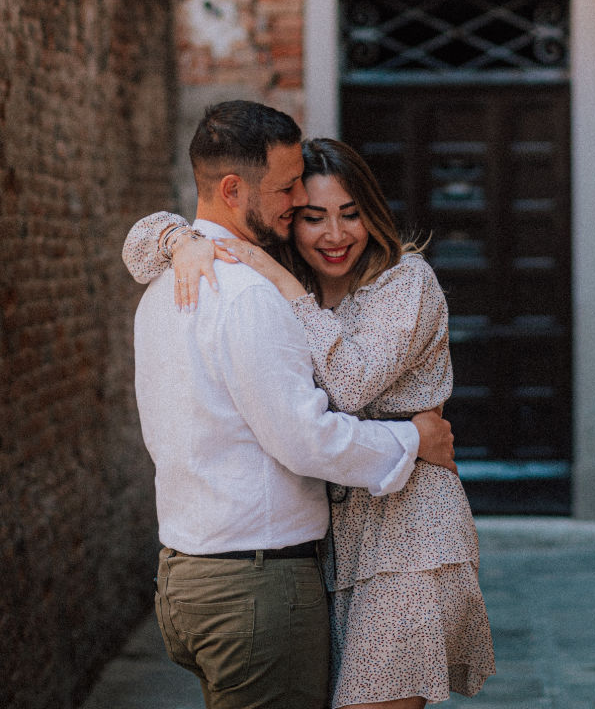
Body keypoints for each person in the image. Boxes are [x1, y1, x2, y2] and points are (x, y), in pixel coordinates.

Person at [124, 132, 495, 709]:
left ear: (372, 213)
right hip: (327, 551)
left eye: (350, 214)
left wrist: (286, 286)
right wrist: (181, 240)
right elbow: (137, 245)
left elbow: (348, 385)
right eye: (313, 217)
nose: (335, 234)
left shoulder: (405, 283)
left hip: (407, 542)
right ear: (290, 221)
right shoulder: (278, 279)